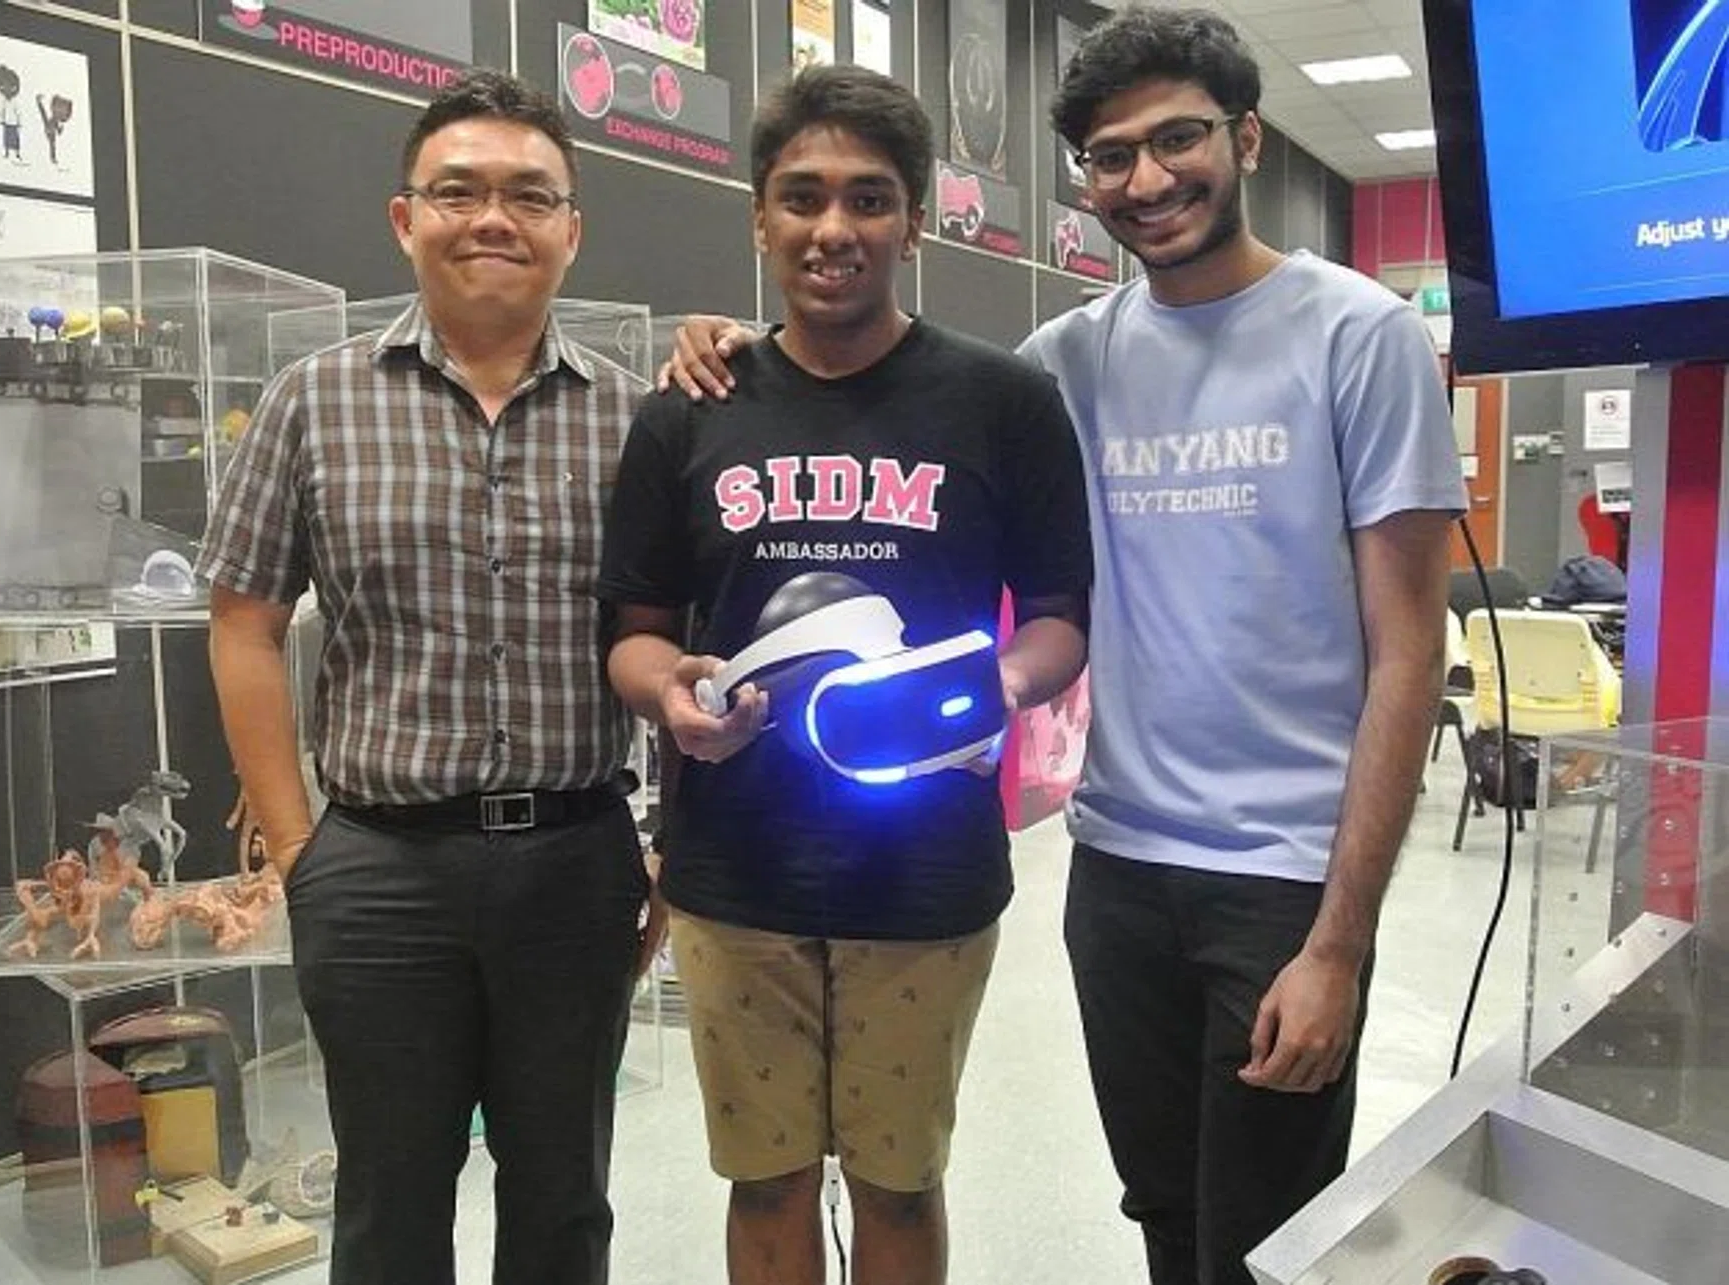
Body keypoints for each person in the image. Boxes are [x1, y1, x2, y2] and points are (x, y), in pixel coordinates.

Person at [657, 10, 1465, 1284]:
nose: (1146, 181)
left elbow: (1409, 656)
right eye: (1108, 156)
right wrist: (721, 341)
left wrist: (1341, 939)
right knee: (1165, 1213)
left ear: (1245, 136)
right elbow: (882, 388)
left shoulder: (1359, 335)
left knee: (1265, 1238)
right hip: (1120, 861)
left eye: (1178, 140)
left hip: (1282, 874)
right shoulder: (1059, 365)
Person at [598, 64, 1093, 1285]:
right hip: (733, 870)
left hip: (926, 868)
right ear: (758, 218)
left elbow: (1061, 620)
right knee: (761, 1180)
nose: (834, 230)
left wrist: (990, 691)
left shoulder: (1005, 401)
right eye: (802, 198)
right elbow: (633, 628)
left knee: (901, 1183)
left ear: (914, 220)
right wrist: (669, 694)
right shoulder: (688, 413)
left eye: (869, 200)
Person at [199, 70, 663, 1285]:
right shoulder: (314, 401)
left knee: (565, 1198)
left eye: (528, 194)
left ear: (572, 228)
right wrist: (301, 851)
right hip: (378, 872)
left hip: (574, 860)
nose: (492, 218)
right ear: (407, 219)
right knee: (390, 1205)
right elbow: (242, 622)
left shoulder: (639, 421)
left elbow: (678, 639)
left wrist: (671, 849)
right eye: (458, 191)